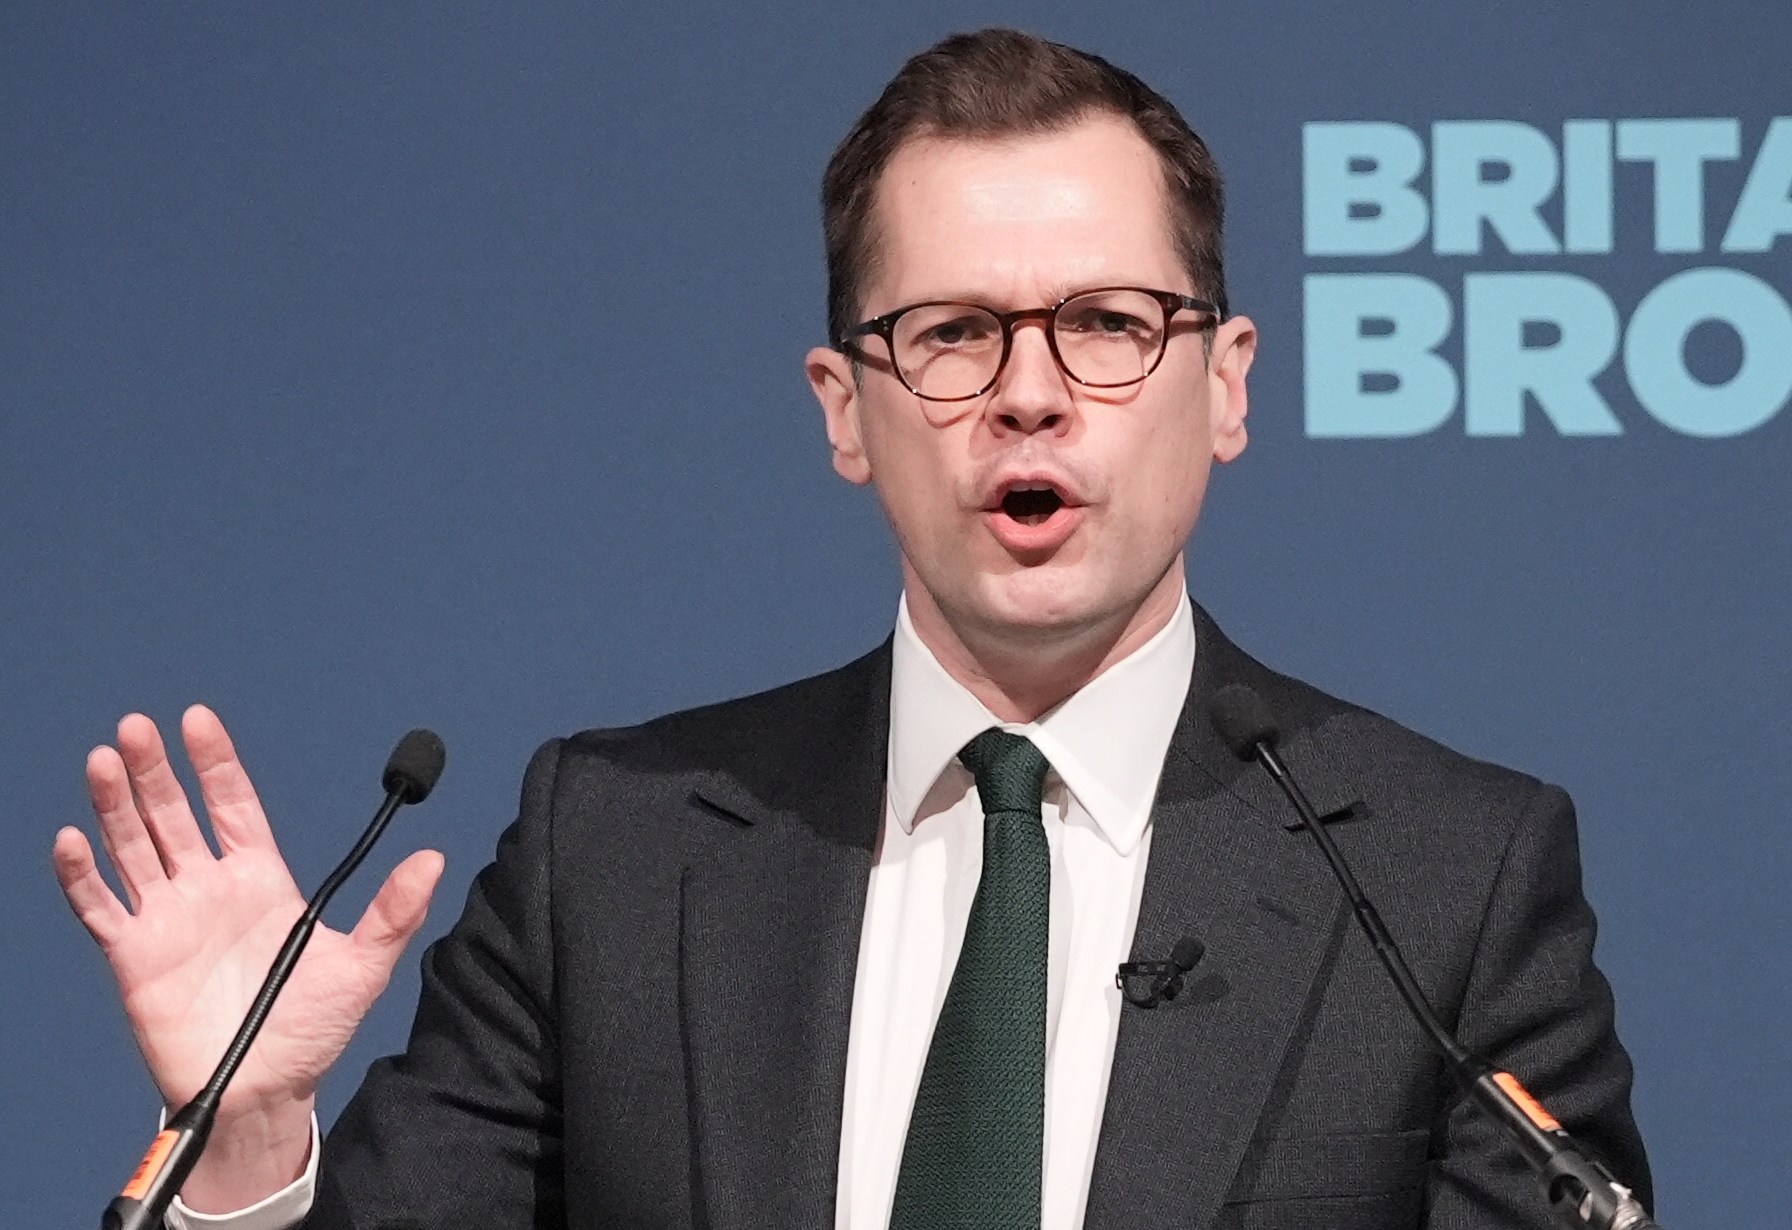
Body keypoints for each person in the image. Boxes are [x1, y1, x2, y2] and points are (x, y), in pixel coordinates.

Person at [53, 27, 1650, 1230]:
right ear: (846, 410)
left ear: (1225, 382)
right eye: (951, 332)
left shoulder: (1451, 880)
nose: (1030, 392)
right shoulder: (610, 855)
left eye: (1106, 324)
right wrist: (252, 1144)